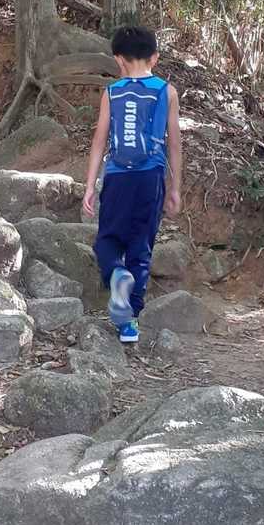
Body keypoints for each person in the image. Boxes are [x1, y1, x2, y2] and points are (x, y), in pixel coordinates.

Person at [83, 25, 182, 344]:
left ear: (118, 60)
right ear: (155, 57)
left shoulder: (112, 92)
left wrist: (90, 185)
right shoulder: (167, 91)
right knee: (140, 247)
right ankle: (129, 322)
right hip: (150, 178)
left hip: (117, 177)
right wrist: (175, 187)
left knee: (107, 241)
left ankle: (116, 273)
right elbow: (174, 144)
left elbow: (99, 141)